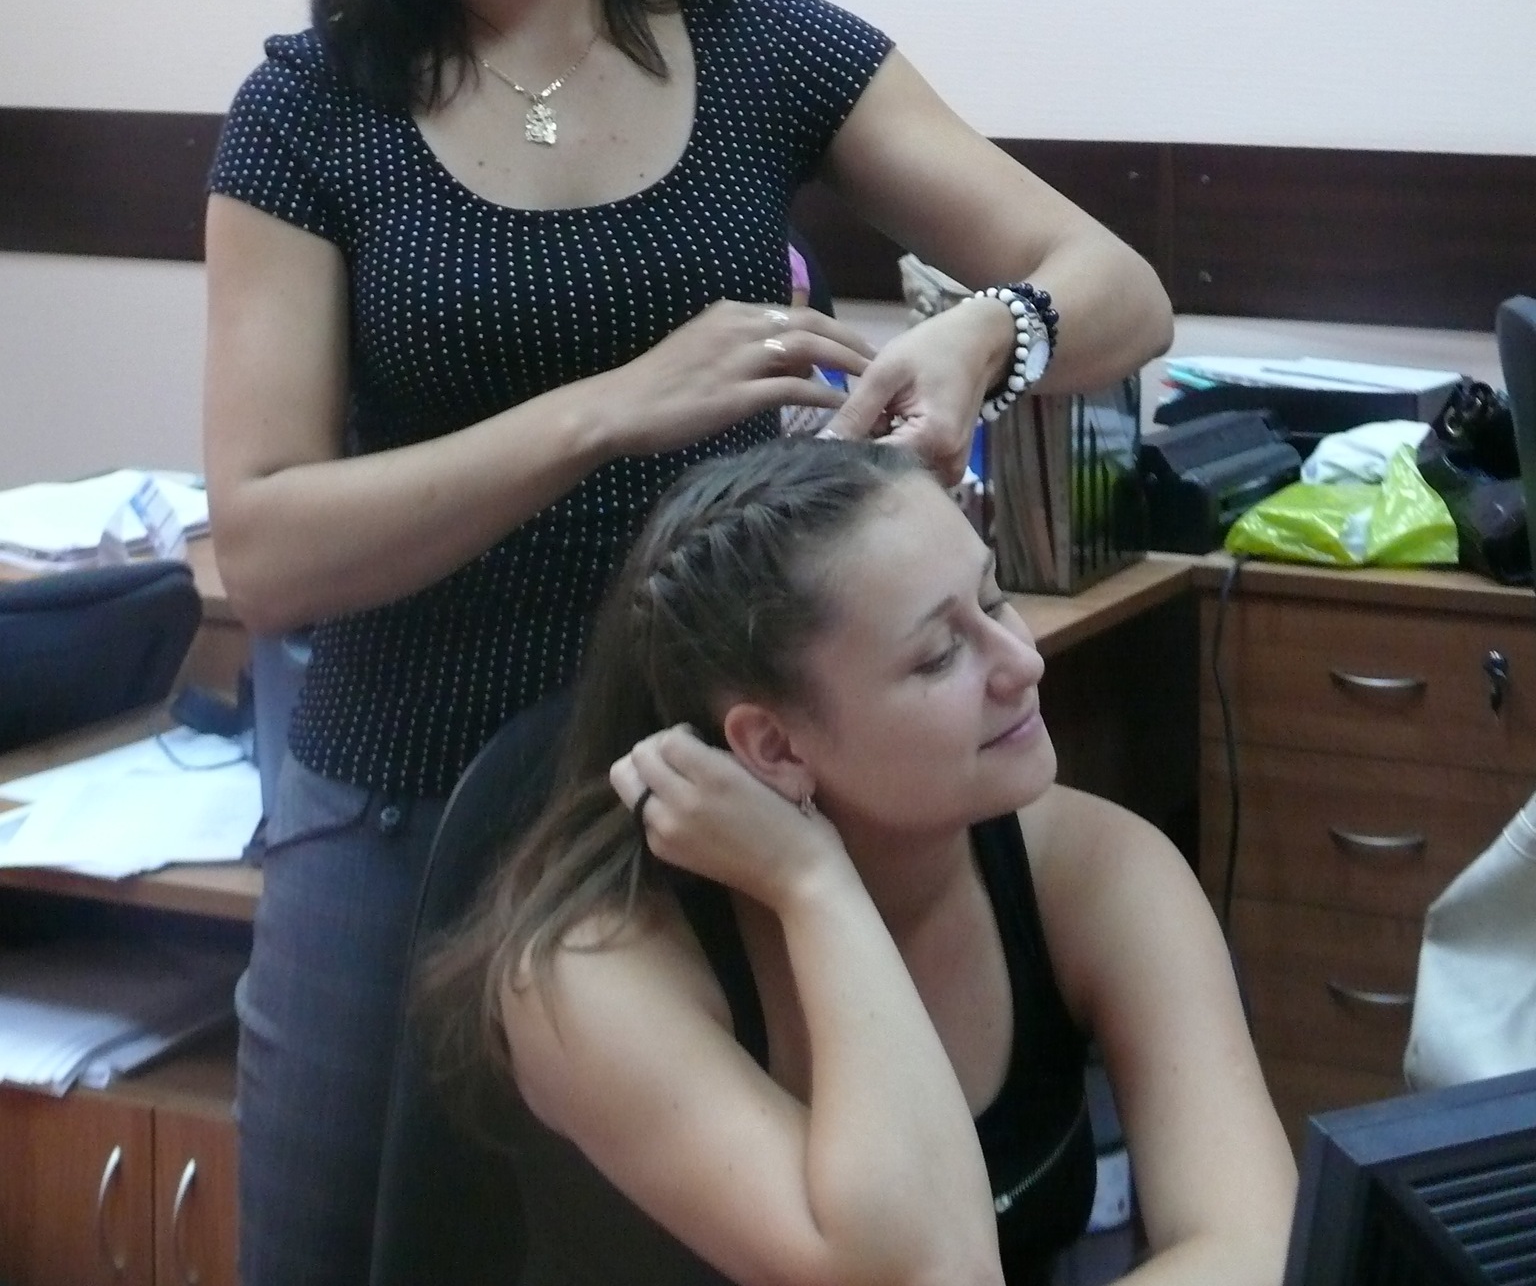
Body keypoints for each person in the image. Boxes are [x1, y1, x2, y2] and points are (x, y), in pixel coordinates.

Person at [202, 0, 1172, 1283]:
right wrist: (602, 412)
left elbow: (1116, 286)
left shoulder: (752, 44)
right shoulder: (309, 117)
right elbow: (267, 543)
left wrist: (985, 335)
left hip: (720, 803)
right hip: (403, 796)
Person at [434, 438, 1296, 1286]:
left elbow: (1259, 1245)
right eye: (939, 655)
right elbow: (930, 1271)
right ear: (774, 746)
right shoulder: (589, 973)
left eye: (993, 600)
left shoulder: (1093, 868)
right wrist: (816, 888)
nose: (1022, 661)